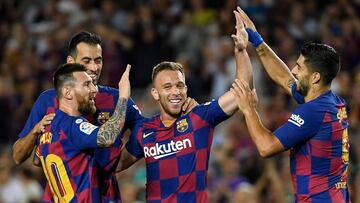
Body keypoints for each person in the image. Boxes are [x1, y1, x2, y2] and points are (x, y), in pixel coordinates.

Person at [12, 31, 196, 202]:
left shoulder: (114, 98)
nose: (94, 67)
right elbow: (19, 156)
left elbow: (146, 131)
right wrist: (34, 133)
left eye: (98, 60)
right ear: (70, 61)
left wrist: (123, 160)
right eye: (86, 60)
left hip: (105, 195)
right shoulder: (47, 101)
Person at [118, 9, 253, 202]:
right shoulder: (143, 130)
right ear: (155, 93)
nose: (175, 91)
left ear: (186, 88)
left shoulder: (200, 117)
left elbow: (243, 88)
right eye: (167, 87)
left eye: (179, 85)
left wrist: (240, 51)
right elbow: (115, 165)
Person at [230, 7, 350, 202]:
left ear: (315, 77)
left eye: (299, 67)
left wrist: (249, 109)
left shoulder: (312, 111)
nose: (293, 70)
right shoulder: (328, 101)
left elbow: (266, 147)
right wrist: (256, 39)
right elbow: (283, 76)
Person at [36, 63, 130, 202]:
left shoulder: (48, 126)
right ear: (68, 92)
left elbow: (35, 159)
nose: (94, 89)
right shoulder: (72, 125)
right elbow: (107, 137)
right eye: (87, 84)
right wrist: (123, 97)